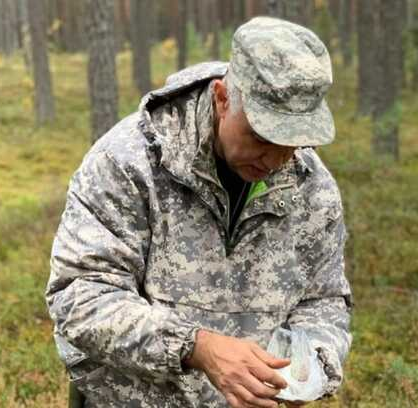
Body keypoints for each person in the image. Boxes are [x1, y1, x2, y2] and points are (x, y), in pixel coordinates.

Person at [46, 17, 352, 408]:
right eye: (261, 136)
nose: (275, 160)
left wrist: (306, 372)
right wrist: (197, 347)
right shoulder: (129, 162)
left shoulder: (312, 187)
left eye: (292, 142)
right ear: (223, 98)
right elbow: (80, 295)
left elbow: (324, 302)